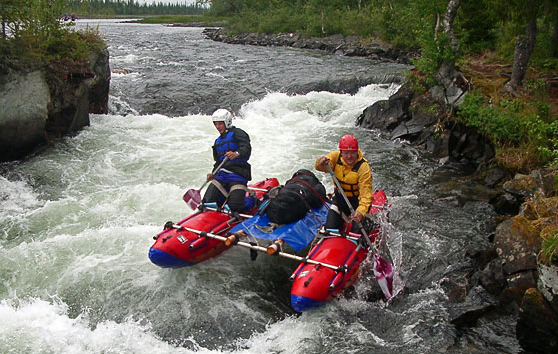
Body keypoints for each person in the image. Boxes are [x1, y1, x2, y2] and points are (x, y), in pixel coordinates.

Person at [315, 134, 373, 232]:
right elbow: (320, 167)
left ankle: (369, 223)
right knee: (329, 228)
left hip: (357, 203)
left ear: (357, 152)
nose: (349, 156)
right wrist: (320, 162)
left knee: (357, 232)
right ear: (341, 152)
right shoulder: (335, 157)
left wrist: (360, 212)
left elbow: (366, 195)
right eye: (346, 153)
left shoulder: (363, 167)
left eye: (352, 153)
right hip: (340, 201)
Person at [202, 109, 252, 213]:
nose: (217, 126)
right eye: (215, 124)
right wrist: (213, 174)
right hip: (222, 175)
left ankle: (253, 200)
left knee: (235, 207)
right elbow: (218, 162)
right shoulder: (217, 142)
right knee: (208, 202)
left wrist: (237, 153)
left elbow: (246, 149)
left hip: (237, 174)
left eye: (220, 123)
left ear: (227, 122)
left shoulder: (238, 133)